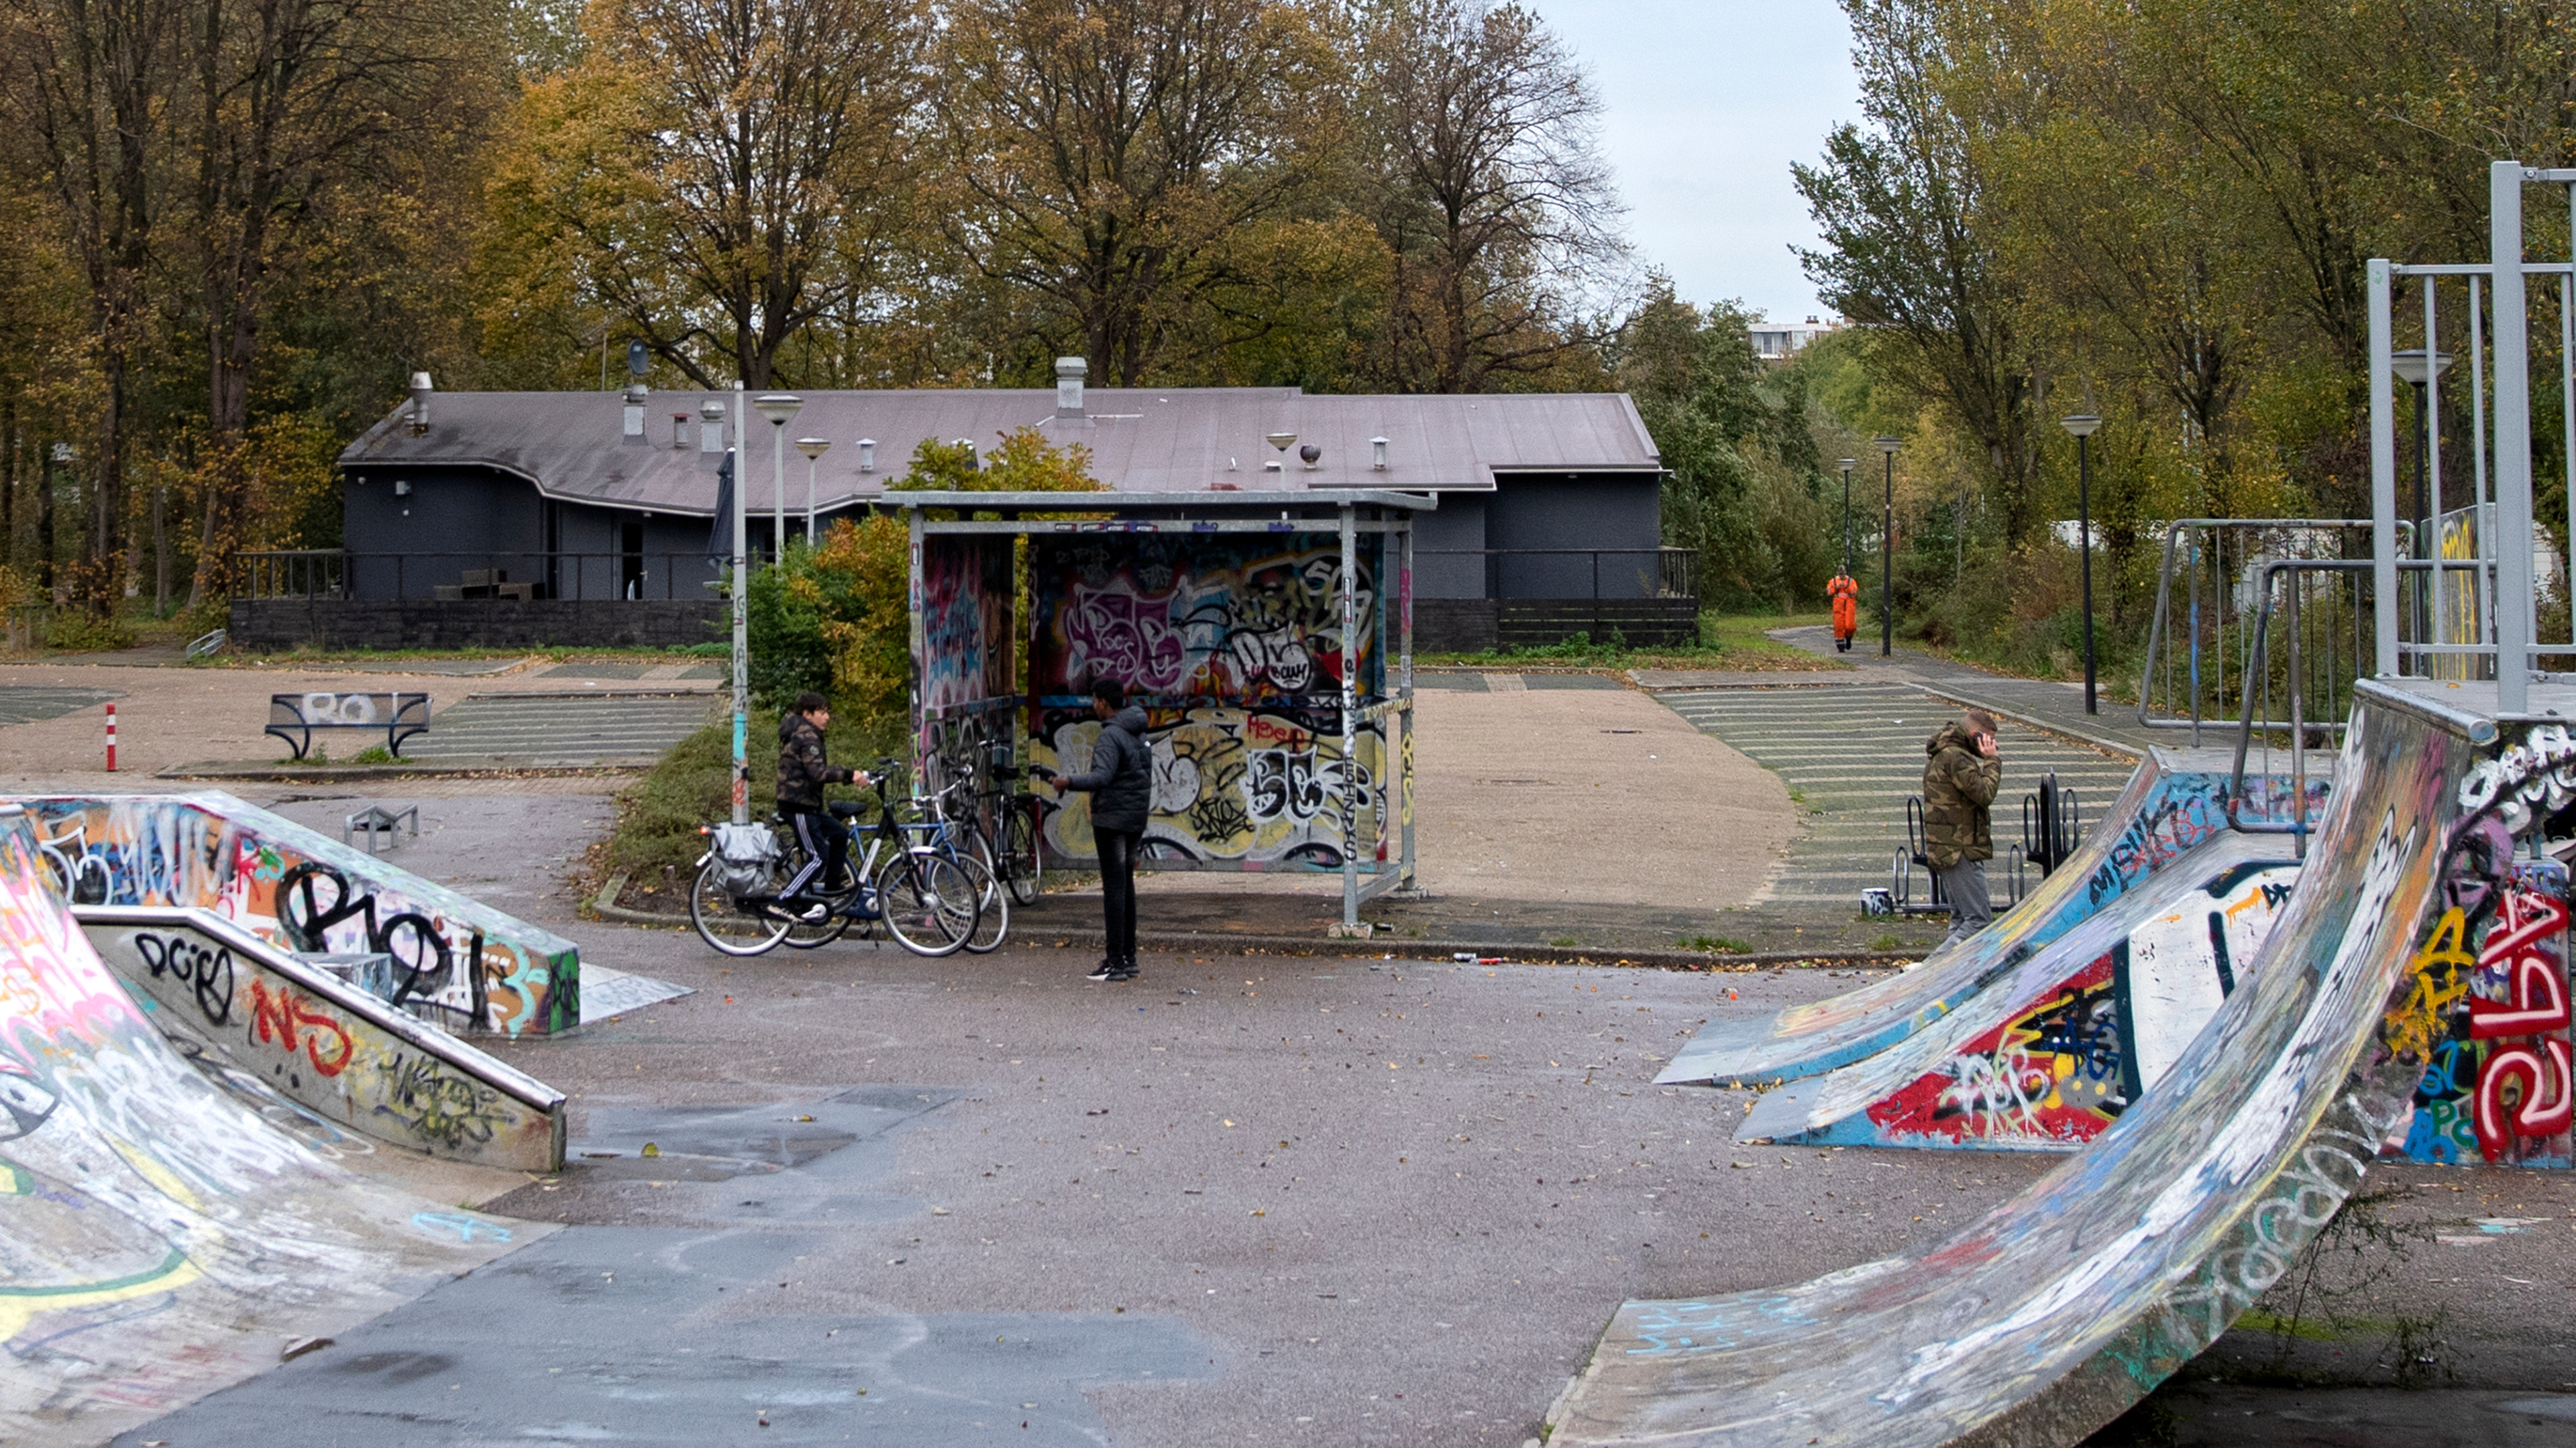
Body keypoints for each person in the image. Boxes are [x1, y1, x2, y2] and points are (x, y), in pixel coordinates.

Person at [1045, 679, 1152, 983]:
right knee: (1126, 887)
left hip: (1112, 822)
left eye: (1095, 700)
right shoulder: (1139, 733)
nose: (1093, 705)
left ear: (1104, 702)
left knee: (1114, 890)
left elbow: (1102, 777)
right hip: (1134, 820)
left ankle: (1114, 962)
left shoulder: (1111, 737)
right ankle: (1129, 958)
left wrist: (1069, 782)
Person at [775, 691, 871, 912]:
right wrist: (849, 774)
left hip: (808, 804)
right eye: (822, 712)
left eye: (827, 712)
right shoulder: (806, 736)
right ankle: (784, 899)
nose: (827, 717)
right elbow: (817, 773)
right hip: (797, 806)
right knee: (818, 858)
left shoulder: (806, 732)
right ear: (808, 715)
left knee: (839, 835)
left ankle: (831, 888)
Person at [1923, 708, 2002, 950]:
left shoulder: (1946, 752)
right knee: (1978, 921)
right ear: (1976, 735)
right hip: (1959, 848)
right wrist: (1991, 760)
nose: (1992, 744)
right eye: (1989, 738)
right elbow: (1984, 794)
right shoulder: (1956, 758)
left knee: (1960, 920)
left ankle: (1950, 976)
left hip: (1949, 846)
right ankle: (1933, 971)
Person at [1828, 571, 1860, 653]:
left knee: (1850, 626)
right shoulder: (1833, 581)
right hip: (1838, 605)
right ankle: (1840, 646)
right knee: (1839, 625)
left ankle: (1848, 637)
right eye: (1840, 574)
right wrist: (1836, 587)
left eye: (1843, 574)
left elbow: (1854, 592)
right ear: (1838, 574)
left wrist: (1847, 588)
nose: (1842, 576)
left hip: (1849, 605)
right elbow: (1829, 592)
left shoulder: (1851, 581)